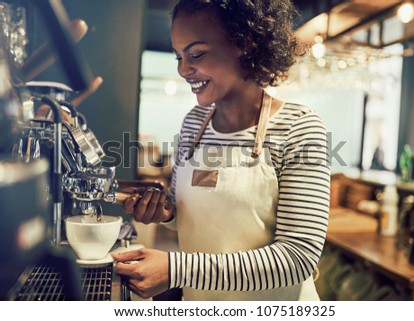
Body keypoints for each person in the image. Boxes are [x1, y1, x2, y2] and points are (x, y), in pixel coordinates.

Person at [112, 0, 330, 301]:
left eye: (197, 54)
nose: (183, 69)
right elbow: (182, 213)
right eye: (178, 56)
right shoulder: (193, 124)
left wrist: (177, 269)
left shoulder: (300, 128)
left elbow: (297, 259)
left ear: (244, 43)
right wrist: (164, 212)